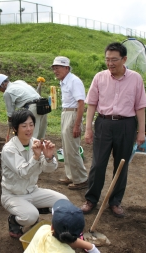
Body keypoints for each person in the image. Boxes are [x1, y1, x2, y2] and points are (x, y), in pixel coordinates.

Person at [81, 42, 146, 217]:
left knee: (121, 165)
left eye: (114, 60)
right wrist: (88, 129)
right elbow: (92, 105)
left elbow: (140, 107)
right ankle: (91, 199)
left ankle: (115, 202)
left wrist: (141, 131)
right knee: (98, 164)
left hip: (126, 125)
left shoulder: (136, 79)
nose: (110, 63)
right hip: (103, 123)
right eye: (107, 59)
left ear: (124, 59)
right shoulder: (99, 77)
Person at [0, 109, 68, 238]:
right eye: (24, 126)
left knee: (63, 202)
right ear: (15, 128)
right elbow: (23, 172)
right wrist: (36, 157)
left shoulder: (36, 143)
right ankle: (15, 220)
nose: (29, 129)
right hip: (13, 195)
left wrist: (48, 157)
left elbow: (49, 169)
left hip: (32, 191)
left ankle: (33, 208)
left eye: (31, 125)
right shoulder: (9, 149)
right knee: (31, 216)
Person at [51, 56, 88, 190]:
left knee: (72, 149)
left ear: (66, 68)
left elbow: (81, 103)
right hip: (66, 113)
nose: (55, 71)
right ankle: (71, 175)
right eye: (54, 68)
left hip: (73, 114)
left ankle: (81, 179)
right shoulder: (64, 81)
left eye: (58, 68)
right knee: (66, 148)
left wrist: (77, 124)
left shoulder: (74, 81)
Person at [25, 199, 101, 253]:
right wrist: (93, 249)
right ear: (80, 234)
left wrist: (90, 247)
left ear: (51, 227)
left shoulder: (43, 229)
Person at [0, 74, 47, 141]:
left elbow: (10, 113)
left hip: (33, 108)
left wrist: (10, 123)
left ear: (3, 85)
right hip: (43, 105)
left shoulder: (7, 92)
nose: (0, 90)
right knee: (40, 135)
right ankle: (40, 150)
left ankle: (31, 151)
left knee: (32, 136)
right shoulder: (19, 82)